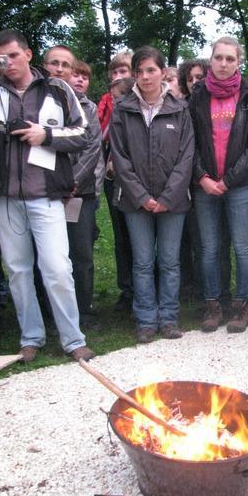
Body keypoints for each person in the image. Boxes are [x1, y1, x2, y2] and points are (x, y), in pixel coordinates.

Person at [0, 29, 94, 362]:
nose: (7, 62)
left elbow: (84, 133)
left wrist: (46, 134)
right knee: (19, 270)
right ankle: (31, 337)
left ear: (27, 54)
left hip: (47, 195)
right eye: (0, 57)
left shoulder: (56, 89)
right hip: (5, 198)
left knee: (56, 267)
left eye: (11, 55)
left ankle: (73, 339)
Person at [110, 45, 194, 343]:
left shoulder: (179, 109)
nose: (145, 77)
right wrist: (142, 196)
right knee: (143, 262)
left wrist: (168, 196)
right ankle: (146, 319)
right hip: (135, 202)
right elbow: (119, 157)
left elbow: (186, 157)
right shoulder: (123, 108)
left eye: (151, 70)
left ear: (162, 72)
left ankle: (169, 318)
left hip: (173, 202)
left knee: (170, 262)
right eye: (140, 71)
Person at [189, 37, 248, 333]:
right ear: (211, 60)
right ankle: (213, 305)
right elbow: (189, 142)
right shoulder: (198, 94)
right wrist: (203, 178)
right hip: (205, 184)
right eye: (218, 58)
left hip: (241, 186)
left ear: (238, 62)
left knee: (243, 247)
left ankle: (241, 306)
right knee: (209, 248)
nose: (223, 64)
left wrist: (229, 180)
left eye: (229, 59)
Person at [68, 60, 105, 329]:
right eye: (76, 75)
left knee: (82, 254)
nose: (80, 80)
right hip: (46, 192)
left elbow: (93, 150)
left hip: (82, 193)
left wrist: (72, 182)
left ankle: (85, 309)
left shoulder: (90, 109)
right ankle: (52, 309)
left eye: (85, 77)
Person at [97, 52, 134, 312]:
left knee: (143, 236)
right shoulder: (104, 104)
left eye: (125, 70)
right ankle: (128, 289)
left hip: (140, 177)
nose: (119, 75)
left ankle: (148, 285)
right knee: (122, 236)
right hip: (113, 178)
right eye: (115, 71)